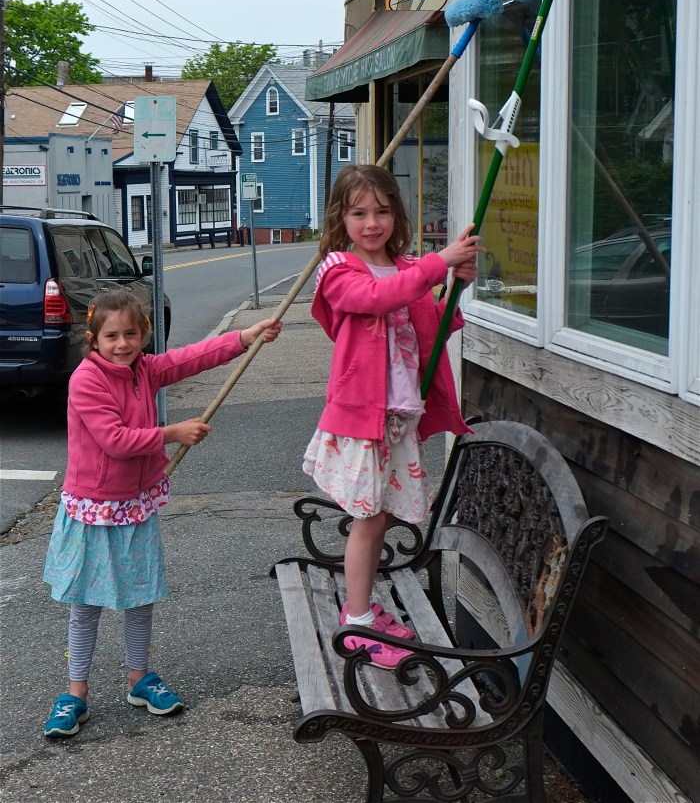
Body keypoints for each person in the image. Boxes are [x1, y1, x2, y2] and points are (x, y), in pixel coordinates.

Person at [43, 289, 281, 737]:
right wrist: (173, 433)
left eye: (131, 334)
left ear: (144, 335)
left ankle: (140, 680)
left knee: (140, 598)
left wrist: (245, 337)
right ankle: (75, 694)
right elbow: (114, 439)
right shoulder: (86, 380)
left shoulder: (144, 370)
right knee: (85, 604)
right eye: (111, 335)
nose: (122, 343)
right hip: (93, 509)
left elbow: (191, 358)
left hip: (135, 505)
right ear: (93, 340)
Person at [303, 164, 482, 669]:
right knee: (366, 517)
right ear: (341, 218)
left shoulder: (405, 268)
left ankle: (361, 607)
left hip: (398, 416)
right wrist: (437, 261)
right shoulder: (338, 269)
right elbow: (373, 300)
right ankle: (356, 622)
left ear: (395, 214)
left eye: (382, 211)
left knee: (379, 514)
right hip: (362, 418)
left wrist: (456, 284)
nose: (371, 222)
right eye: (359, 212)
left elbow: (432, 324)